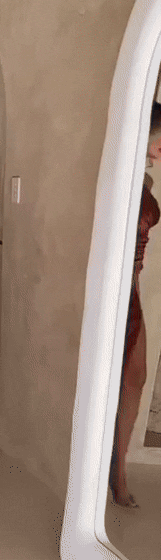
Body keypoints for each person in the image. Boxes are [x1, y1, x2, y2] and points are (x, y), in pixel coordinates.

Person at [109, 99, 161, 507]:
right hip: (113, 286)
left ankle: (119, 469)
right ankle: (108, 471)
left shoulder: (143, 176)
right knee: (109, 380)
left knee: (135, 379)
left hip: (133, 285)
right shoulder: (118, 169)